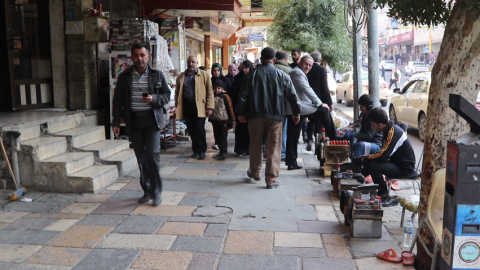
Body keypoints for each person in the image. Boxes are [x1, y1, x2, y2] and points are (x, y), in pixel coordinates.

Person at [112, 43, 171, 206]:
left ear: (148, 57)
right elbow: (117, 101)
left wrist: (154, 99)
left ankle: (157, 192)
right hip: (134, 122)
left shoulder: (157, 75)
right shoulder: (124, 77)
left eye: (142, 55)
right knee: (141, 159)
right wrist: (116, 121)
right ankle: (147, 190)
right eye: (136, 55)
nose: (140, 58)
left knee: (152, 155)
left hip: (152, 121)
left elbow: (167, 95)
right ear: (132, 57)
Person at [236, 47, 301, 189]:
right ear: (274, 60)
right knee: (274, 147)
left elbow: (243, 96)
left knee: (255, 144)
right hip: (276, 117)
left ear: (261, 57)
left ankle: (256, 172)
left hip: (255, 115)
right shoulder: (282, 75)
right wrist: (296, 112)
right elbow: (292, 96)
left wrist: (240, 113)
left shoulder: (252, 75)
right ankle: (271, 180)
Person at [360, 108, 416, 206]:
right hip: (396, 162)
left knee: (374, 164)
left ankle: (384, 195)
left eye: (373, 125)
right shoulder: (388, 129)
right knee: (370, 160)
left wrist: (369, 157)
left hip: (405, 167)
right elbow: (383, 151)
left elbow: (383, 155)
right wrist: (368, 158)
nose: (372, 128)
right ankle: (360, 177)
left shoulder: (393, 131)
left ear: (381, 125)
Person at [175, 55, 215, 160]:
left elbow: (210, 92)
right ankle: (195, 150)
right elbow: (177, 92)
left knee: (199, 128)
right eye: (189, 62)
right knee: (191, 129)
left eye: (193, 62)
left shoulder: (205, 75)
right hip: (187, 105)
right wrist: (177, 104)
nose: (191, 64)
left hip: (200, 106)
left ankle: (202, 150)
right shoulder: (181, 77)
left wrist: (210, 106)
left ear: (197, 63)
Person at [305, 51, 333, 151]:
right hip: (320, 100)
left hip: (307, 99)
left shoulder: (307, 68)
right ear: (320, 60)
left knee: (310, 121)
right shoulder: (322, 70)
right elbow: (324, 87)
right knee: (318, 123)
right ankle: (318, 146)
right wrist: (329, 103)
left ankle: (309, 140)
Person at [230, 60, 254, 156]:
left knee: (249, 129)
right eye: (243, 68)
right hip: (239, 107)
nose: (245, 70)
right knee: (240, 129)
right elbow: (233, 93)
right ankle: (240, 148)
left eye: (246, 68)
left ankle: (248, 148)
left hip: (250, 108)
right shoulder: (237, 78)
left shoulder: (252, 77)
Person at [209, 80, 236, 160]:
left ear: (222, 88)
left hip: (224, 120)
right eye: (215, 88)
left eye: (218, 88)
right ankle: (220, 151)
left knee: (223, 137)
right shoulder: (212, 96)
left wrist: (232, 119)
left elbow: (230, 108)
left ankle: (224, 152)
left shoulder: (225, 97)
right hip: (215, 119)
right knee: (217, 136)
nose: (217, 90)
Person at [350, 95, 382, 159]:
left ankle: (356, 166)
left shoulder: (374, 117)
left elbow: (368, 136)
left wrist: (353, 135)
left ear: (368, 107)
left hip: (376, 144)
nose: (360, 109)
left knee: (360, 145)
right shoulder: (364, 116)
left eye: (362, 107)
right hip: (367, 143)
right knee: (353, 145)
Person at [273, 51, 292, 161]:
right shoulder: (289, 71)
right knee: (283, 130)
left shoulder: (270, 69)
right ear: (286, 60)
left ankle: (269, 149)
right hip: (284, 105)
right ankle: (283, 152)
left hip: (270, 105)